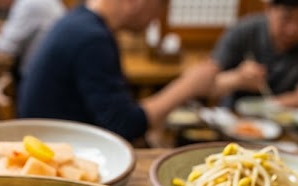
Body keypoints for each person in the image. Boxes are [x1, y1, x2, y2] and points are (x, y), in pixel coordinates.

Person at [17, 0, 183, 141]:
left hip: (51, 138)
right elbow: (124, 126)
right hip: (55, 153)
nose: (156, 18)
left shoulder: (78, 20)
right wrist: (189, 85)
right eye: (160, 6)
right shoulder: (92, 39)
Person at [0, 0, 65, 81]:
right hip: (49, 76)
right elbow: (18, 29)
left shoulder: (28, 4)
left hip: (36, 81)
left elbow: (5, 48)